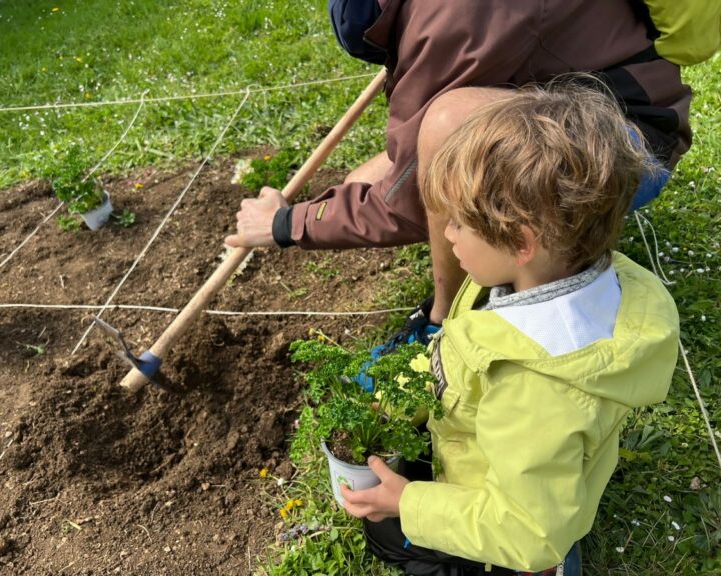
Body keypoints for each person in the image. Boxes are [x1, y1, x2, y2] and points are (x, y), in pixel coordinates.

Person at [338, 82, 680, 575]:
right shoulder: (524, 278)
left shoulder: (539, 389)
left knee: (392, 534)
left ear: (520, 241)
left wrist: (409, 503)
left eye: (456, 223)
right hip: (493, 462)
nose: (447, 234)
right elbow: (458, 354)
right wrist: (391, 394)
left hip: (508, 524)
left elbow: (526, 529)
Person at [225, 0, 691, 350]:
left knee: (445, 126)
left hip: (631, 147)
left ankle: (444, 319)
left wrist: (285, 225)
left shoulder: (449, 24)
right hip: (584, 101)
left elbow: (409, 204)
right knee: (366, 174)